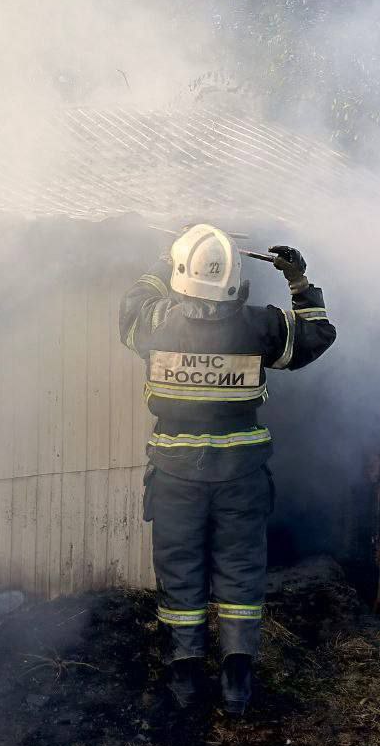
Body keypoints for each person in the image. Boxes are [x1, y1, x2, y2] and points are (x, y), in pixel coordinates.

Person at [118, 224, 336, 715]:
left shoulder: (155, 322)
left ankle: (186, 677)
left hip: (175, 476)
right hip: (242, 476)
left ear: (182, 275)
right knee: (240, 572)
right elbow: (318, 334)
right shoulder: (260, 326)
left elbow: (132, 302)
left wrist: (165, 257)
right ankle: (237, 681)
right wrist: (299, 281)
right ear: (236, 279)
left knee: (180, 570)